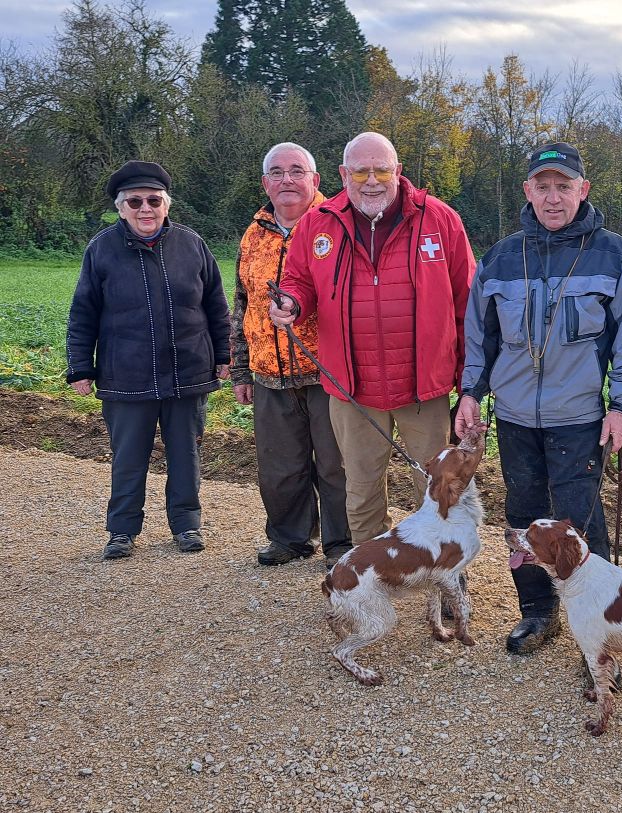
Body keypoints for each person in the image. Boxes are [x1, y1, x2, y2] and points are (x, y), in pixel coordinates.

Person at [455, 142, 622, 655]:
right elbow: (479, 337)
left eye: (564, 186)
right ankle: (537, 612)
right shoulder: (500, 257)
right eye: (543, 186)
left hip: (580, 418)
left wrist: (621, 406)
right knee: (522, 517)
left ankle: (604, 627)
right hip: (515, 417)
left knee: (581, 522)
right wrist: (470, 394)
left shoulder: (614, 254)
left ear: (583, 190)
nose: (553, 197)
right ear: (528, 192)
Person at [269, 132, 475, 545]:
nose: (372, 180)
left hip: (424, 387)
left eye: (382, 169)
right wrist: (292, 301)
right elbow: (298, 279)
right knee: (360, 489)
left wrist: (467, 381)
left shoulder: (440, 219)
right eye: (361, 171)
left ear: (398, 171)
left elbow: (466, 302)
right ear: (344, 174)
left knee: (438, 487)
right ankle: (369, 580)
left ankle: (446, 571)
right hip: (352, 387)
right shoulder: (318, 222)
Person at [66, 160, 231, 560]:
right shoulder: (101, 249)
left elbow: (216, 306)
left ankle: (187, 525)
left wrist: (225, 356)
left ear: (166, 204)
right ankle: (121, 531)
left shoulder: (192, 245)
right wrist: (79, 366)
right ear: (121, 208)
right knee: (128, 458)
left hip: (187, 370)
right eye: (135, 201)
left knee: (185, 454)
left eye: (153, 200)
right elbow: (83, 312)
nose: (146, 208)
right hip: (125, 374)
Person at [230, 142, 352, 567]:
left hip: (328, 372)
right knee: (280, 468)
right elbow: (242, 304)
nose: (287, 180)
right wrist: (241, 369)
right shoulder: (254, 234)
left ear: (316, 180)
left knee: (337, 465)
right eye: (277, 173)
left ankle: (342, 544)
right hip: (269, 373)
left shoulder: (336, 225)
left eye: (297, 171)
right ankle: (290, 538)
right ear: (266, 183)